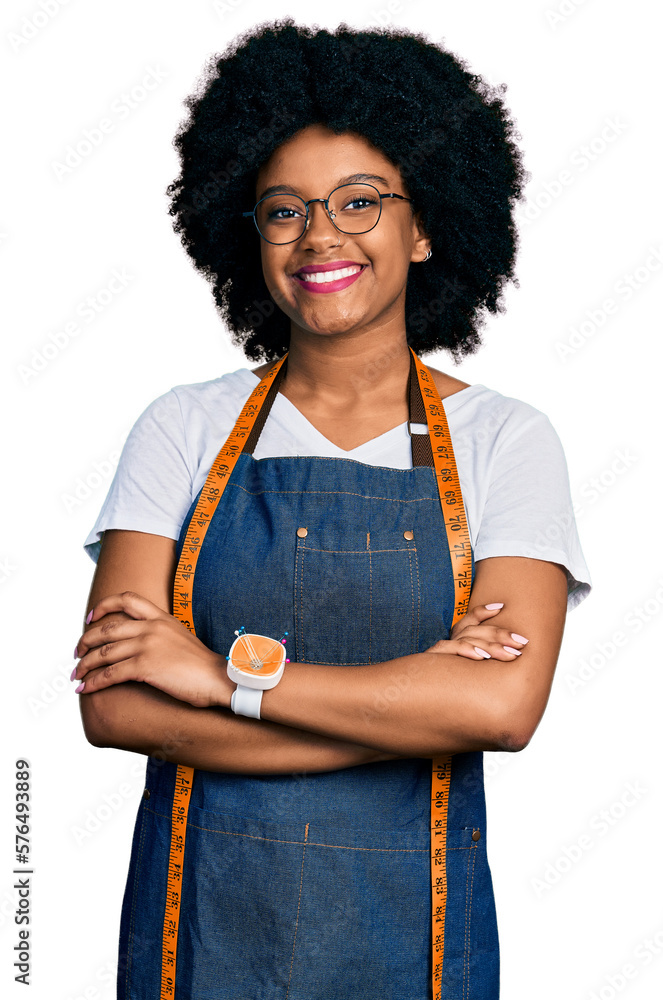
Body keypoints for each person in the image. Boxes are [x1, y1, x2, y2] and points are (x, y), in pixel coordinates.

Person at [73, 19, 592, 1000]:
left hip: (418, 953)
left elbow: (500, 706)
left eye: (360, 201)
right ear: (248, 233)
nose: (320, 236)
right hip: (200, 946)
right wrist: (412, 710)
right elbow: (115, 704)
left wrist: (222, 675)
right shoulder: (180, 428)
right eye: (283, 210)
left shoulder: (506, 443)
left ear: (426, 224)